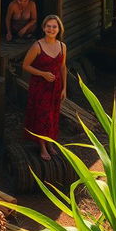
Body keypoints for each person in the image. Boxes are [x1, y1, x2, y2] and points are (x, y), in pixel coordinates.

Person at [22, 15, 67, 160]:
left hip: (56, 87)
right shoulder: (37, 46)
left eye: (54, 27)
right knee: (42, 115)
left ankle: (49, 143)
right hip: (40, 87)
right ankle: (42, 146)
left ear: (59, 29)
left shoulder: (62, 46)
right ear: (43, 28)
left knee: (53, 116)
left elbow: (62, 67)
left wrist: (64, 88)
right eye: (48, 26)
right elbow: (25, 65)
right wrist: (42, 74)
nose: (51, 29)